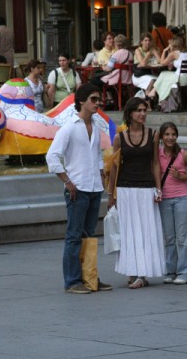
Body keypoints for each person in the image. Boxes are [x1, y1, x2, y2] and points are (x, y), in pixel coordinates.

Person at [45, 84, 112, 294]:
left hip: (93, 187)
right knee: (74, 236)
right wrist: (67, 181)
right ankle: (72, 281)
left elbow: (98, 154)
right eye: (93, 99)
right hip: (77, 188)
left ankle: (90, 278)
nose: (98, 103)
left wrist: (101, 173)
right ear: (81, 101)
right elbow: (52, 156)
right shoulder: (69, 127)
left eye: (99, 99)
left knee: (89, 235)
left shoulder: (96, 125)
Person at [107, 97, 165, 289]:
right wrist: (111, 194)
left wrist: (158, 188)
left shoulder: (153, 135)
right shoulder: (119, 138)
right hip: (125, 189)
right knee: (129, 231)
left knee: (146, 231)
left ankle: (142, 273)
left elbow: (155, 163)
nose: (143, 114)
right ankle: (132, 271)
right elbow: (114, 167)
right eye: (139, 110)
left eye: (145, 110)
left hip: (146, 188)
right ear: (130, 113)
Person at [159, 122, 187, 285]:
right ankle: (170, 271)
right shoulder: (158, 154)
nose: (170, 138)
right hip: (165, 200)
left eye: (173, 134)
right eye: (167, 134)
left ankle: (185, 272)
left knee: (182, 237)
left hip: (181, 198)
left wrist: (181, 177)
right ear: (162, 137)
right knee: (169, 237)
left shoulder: (184, 154)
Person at [146, 36, 187, 105]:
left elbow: (162, 63)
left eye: (170, 44)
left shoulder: (173, 54)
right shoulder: (185, 53)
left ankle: (154, 92)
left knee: (163, 74)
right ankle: (154, 93)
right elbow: (170, 68)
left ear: (173, 44)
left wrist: (164, 51)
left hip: (181, 78)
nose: (169, 45)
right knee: (164, 75)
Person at [132, 33, 161, 97]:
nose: (148, 42)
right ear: (141, 42)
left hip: (148, 73)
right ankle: (147, 100)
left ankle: (148, 98)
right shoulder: (138, 50)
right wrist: (148, 54)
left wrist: (155, 52)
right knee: (152, 80)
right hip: (138, 76)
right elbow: (143, 64)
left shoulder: (152, 49)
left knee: (161, 79)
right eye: (145, 40)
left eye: (149, 40)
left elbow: (160, 62)